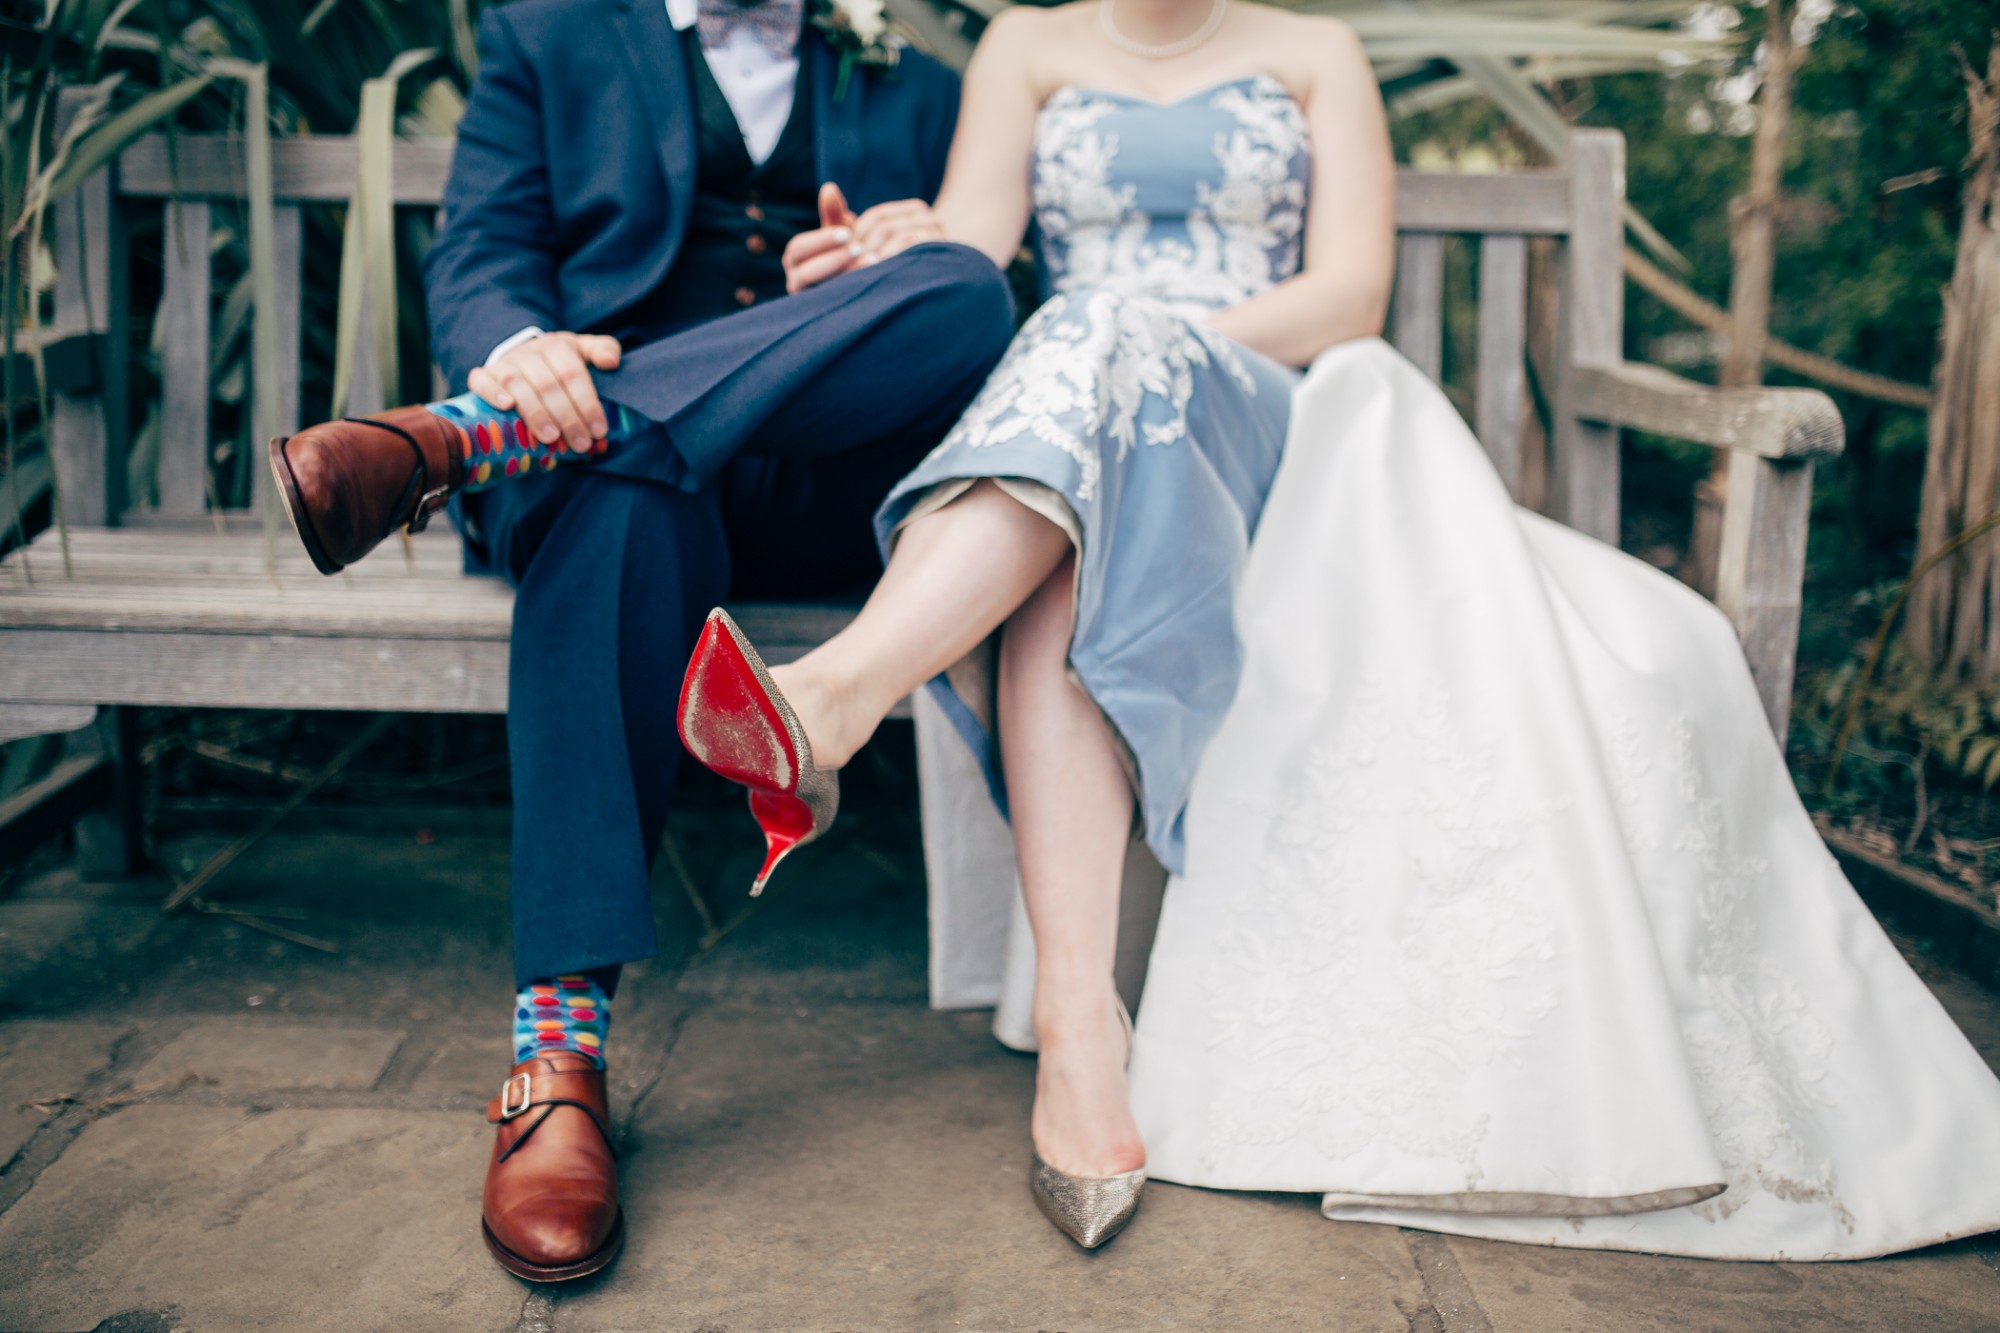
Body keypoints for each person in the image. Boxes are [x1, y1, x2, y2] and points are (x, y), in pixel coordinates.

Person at [672, 0, 2000, 1258]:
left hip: (1262, 416)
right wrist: (887, 251)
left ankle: (834, 702)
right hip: (1084, 434)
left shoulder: (1316, 48)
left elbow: (1350, 292)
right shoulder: (1027, 45)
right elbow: (974, 236)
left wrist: (1147, 343)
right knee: (1073, 514)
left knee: (1089, 361)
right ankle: (1081, 1031)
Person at [266, 0, 1014, 1283]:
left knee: (963, 284)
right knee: (620, 506)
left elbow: (992, 319)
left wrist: (887, 262)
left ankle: (456, 447)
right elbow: (485, 247)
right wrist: (518, 357)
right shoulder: (548, 34)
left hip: (810, 487)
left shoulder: (928, 83)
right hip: (607, 490)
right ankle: (556, 1059)